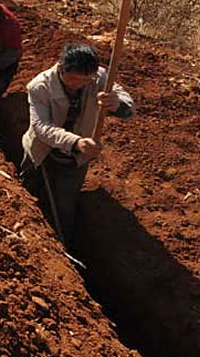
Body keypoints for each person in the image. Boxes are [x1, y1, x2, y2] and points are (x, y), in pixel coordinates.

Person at [19, 43, 133, 247]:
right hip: (41, 152)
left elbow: (126, 103)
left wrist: (116, 103)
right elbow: (41, 127)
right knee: (30, 194)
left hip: (75, 159)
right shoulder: (39, 87)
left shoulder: (99, 78)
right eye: (73, 79)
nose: (78, 85)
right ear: (60, 67)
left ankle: (60, 245)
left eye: (85, 80)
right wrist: (75, 142)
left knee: (64, 206)